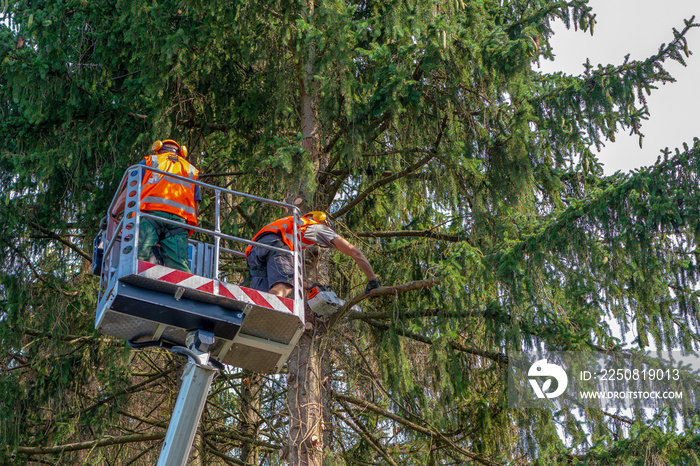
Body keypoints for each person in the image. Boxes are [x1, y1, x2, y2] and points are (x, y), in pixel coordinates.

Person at [108, 139, 201, 273]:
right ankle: (183, 291)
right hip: (179, 223)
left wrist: (113, 214)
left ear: (157, 149)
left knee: (137, 258)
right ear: (181, 154)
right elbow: (195, 208)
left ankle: (132, 279)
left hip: (150, 216)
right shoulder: (191, 170)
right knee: (180, 269)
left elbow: (130, 192)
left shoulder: (150, 161)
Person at [244, 211, 380, 298]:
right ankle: (270, 310)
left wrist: (309, 285)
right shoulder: (318, 227)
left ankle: (256, 315)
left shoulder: (293, 226)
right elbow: (354, 252)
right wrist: (372, 280)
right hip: (276, 247)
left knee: (262, 296)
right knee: (284, 286)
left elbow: (285, 274)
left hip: (254, 253)